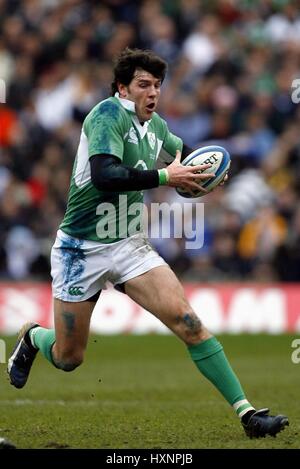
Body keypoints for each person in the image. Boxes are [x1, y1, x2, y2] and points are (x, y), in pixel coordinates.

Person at [8, 48, 288, 439]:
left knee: (188, 322)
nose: (152, 92)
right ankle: (34, 337)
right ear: (122, 88)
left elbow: (184, 156)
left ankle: (248, 415)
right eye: (143, 84)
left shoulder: (155, 127)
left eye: (157, 85)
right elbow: (105, 175)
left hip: (128, 245)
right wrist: (164, 178)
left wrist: (208, 173)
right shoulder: (106, 116)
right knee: (70, 358)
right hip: (80, 249)